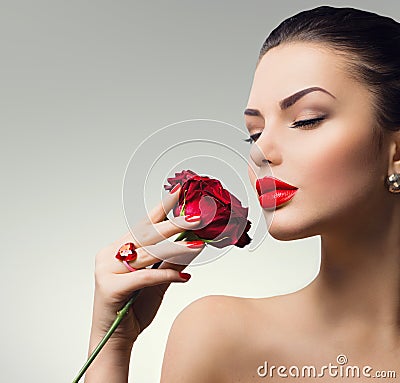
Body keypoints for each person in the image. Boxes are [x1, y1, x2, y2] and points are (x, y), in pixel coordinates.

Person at [84, 6, 400, 382]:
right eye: (254, 132)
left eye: (306, 119)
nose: (259, 151)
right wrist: (112, 346)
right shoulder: (219, 336)